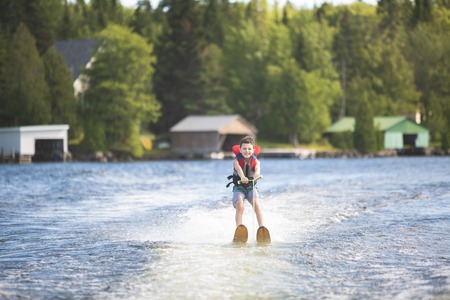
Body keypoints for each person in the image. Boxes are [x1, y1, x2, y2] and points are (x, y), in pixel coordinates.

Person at [230, 136, 265, 228]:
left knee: (257, 205)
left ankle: (262, 228)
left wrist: (257, 175)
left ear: (253, 150)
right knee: (240, 206)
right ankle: (239, 228)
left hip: (251, 187)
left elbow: (257, 169)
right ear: (240, 150)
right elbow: (239, 170)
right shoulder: (236, 161)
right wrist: (242, 177)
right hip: (239, 188)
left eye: (249, 149)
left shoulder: (256, 161)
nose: (247, 151)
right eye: (244, 148)